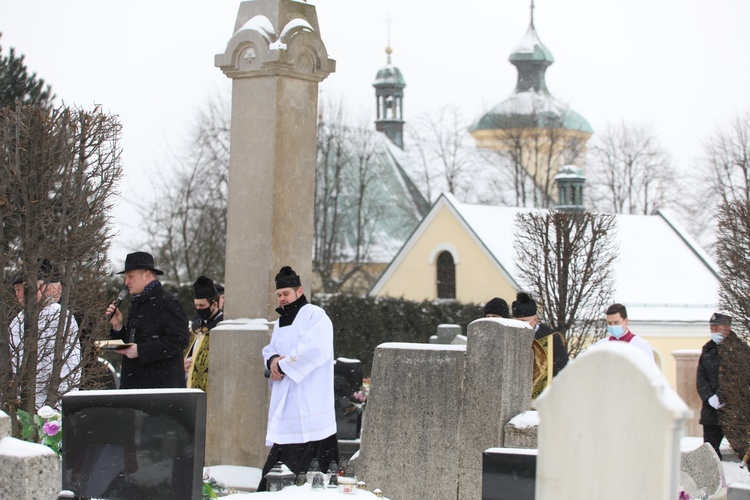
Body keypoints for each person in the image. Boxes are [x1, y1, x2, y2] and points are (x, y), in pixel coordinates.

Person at [257, 266, 339, 492]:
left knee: (310, 456)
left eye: (286, 294)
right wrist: (272, 360)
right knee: (282, 452)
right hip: (287, 397)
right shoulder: (280, 321)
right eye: (279, 295)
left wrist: (282, 365)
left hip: (310, 397)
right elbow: (270, 349)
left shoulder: (314, 314)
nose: (282, 299)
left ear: (299, 290)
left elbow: (314, 349)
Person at [106, 252, 189, 389]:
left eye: (130, 276)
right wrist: (118, 327)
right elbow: (134, 342)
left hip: (158, 392)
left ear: (147, 275)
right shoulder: (139, 302)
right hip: (138, 389)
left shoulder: (167, 302)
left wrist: (141, 350)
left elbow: (179, 339)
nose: (126, 282)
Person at [9, 261, 81, 409]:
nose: (21, 295)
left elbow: (68, 365)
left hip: (50, 404)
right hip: (22, 402)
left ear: (41, 288)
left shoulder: (57, 315)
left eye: (25, 289)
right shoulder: (17, 320)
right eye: (17, 290)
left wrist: (56, 404)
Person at [696, 311, 738, 459]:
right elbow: (701, 376)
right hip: (711, 411)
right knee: (710, 453)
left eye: (716, 328)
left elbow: (735, 377)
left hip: (734, 409)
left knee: (743, 449)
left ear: (727, 329)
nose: (713, 331)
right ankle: (715, 481)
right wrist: (709, 397)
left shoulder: (738, 349)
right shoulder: (708, 349)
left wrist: (721, 396)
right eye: (711, 328)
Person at [512, 292, 568, 384]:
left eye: (523, 321)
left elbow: (561, 368)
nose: (519, 325)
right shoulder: (510, 337)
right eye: (516, 321)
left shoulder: (551, 338)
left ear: (535, 319)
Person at [184, 276, 224, 392]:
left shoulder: (222, 327)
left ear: (214, 305)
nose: (199, 309)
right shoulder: (195, 328)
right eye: (196, 306)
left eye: (202, 306)